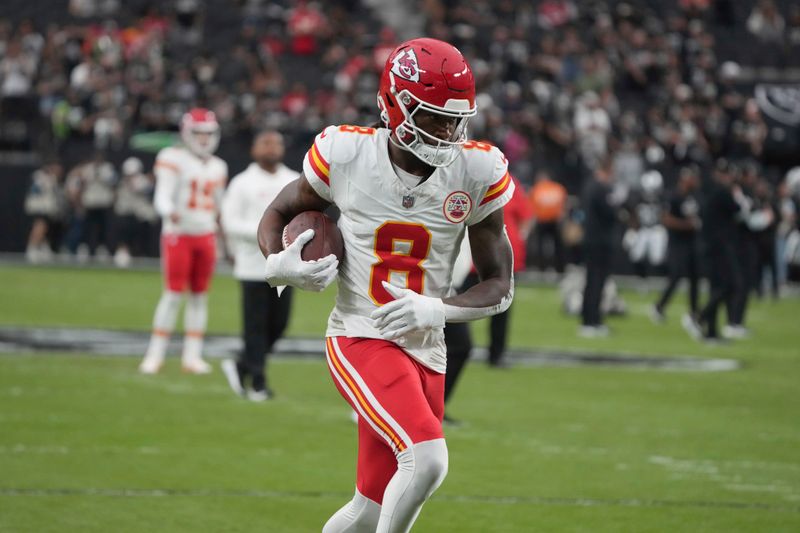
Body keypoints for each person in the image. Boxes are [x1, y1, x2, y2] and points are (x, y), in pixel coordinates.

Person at [257, 38, 514, 532]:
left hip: (426, 348)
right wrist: (277, 263)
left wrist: (437, 309)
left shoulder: (477, 170)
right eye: (433, 116)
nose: (447, 131)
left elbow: (500, 285)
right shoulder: (348, 153)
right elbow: (279, 211)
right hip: (360, 333)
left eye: (454, 118)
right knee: (428, 460)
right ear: (394, 104)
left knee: (367, 511)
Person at [139, 108, 228, 374]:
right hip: (179, 233)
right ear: (187, 134)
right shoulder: (171, 157)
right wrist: (169, 211)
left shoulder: (218, 166)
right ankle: (155, 354)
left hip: (205, 233)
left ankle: (192, 356)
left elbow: (221, 206)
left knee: (200, 296)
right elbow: (162, 195)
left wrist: (225, 238)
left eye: (208, 134)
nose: (203, 139)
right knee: (173, 293)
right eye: (198, 133)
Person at [220, 130, 298, 401]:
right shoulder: (242, 182)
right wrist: (268, 232)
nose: (272, 147)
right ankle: (258, 382)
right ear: (254, 149)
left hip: (286, 267)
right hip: (252, 267)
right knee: (254, 327)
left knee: (279, 325)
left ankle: (241, 364)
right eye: (265, 142)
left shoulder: (293, 180)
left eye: (276, 142)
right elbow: (230, 222)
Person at [683, 159, 748, 342]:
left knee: (717, 287)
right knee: (731, 284)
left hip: (709, 245)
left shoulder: (707, 190)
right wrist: (737, 194)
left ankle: (711, 331)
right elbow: (738, 209)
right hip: (721, 246)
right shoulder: (722, 192)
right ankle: (699, 318)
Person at [579, 159, 624, 337]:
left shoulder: (589, 186)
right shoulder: (600, 188)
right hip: (599, 241)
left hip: (591, 239)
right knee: (597, 281)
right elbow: (610, 212)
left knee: (592, 281)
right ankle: (592, 320)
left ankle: (589, 319)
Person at [651, 166, 701, 322]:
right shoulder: (673, 196)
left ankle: (693, 311)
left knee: (695, 277)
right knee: (676, 275)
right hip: (677, 242)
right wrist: (687, 225)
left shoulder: (692, 197)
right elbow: (665, 219)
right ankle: (659, 306)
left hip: (691, 242)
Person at [24, 161, 66, 263]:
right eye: (57, 169)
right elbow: (35, 189)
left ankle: (43, 248)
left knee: (45, 228)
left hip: (47, 208)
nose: (59, 172)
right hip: (39, 206)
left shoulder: (52, 178)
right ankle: (32, 248)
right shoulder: (40, 176)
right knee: (40, 226)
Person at [528, 170, 567, 273]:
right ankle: (560, 268)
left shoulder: (537, 189)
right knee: (557, 245)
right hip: (553, 220)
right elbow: (564, 205)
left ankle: (543, 268)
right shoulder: (558, 188)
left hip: (543, 220)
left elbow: (531, 207)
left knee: (542, 245)